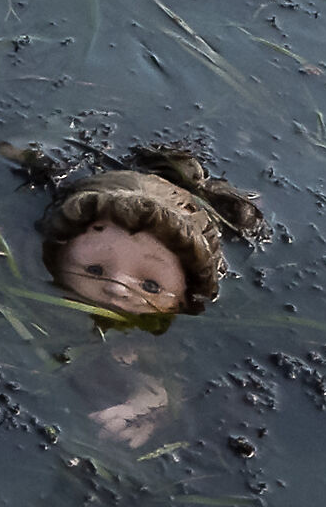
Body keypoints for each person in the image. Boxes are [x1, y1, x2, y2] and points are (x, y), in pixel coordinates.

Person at [30, 148, 262, 449]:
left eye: (151, 286)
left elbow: (162, 383)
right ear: (56, 262)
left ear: (183, 300)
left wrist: (146, 410)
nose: (117, 289)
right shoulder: (35, 310)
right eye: (95, 269)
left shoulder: (153, 342)